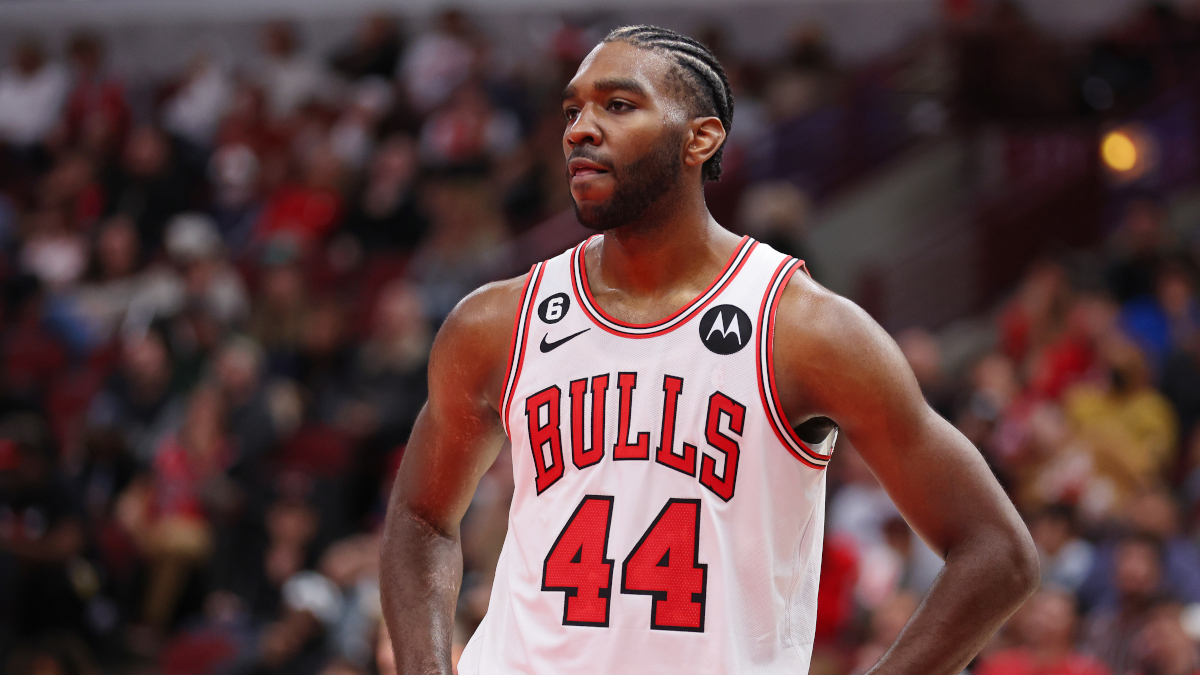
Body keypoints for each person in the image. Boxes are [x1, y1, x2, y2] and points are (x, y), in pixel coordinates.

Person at [380, 25, 1038, 675]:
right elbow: (420, 516)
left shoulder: (804, 328)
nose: (580, 129)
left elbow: (997, 552)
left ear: (701, 138)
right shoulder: (497, 321)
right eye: (572, 110)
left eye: (618, 104)